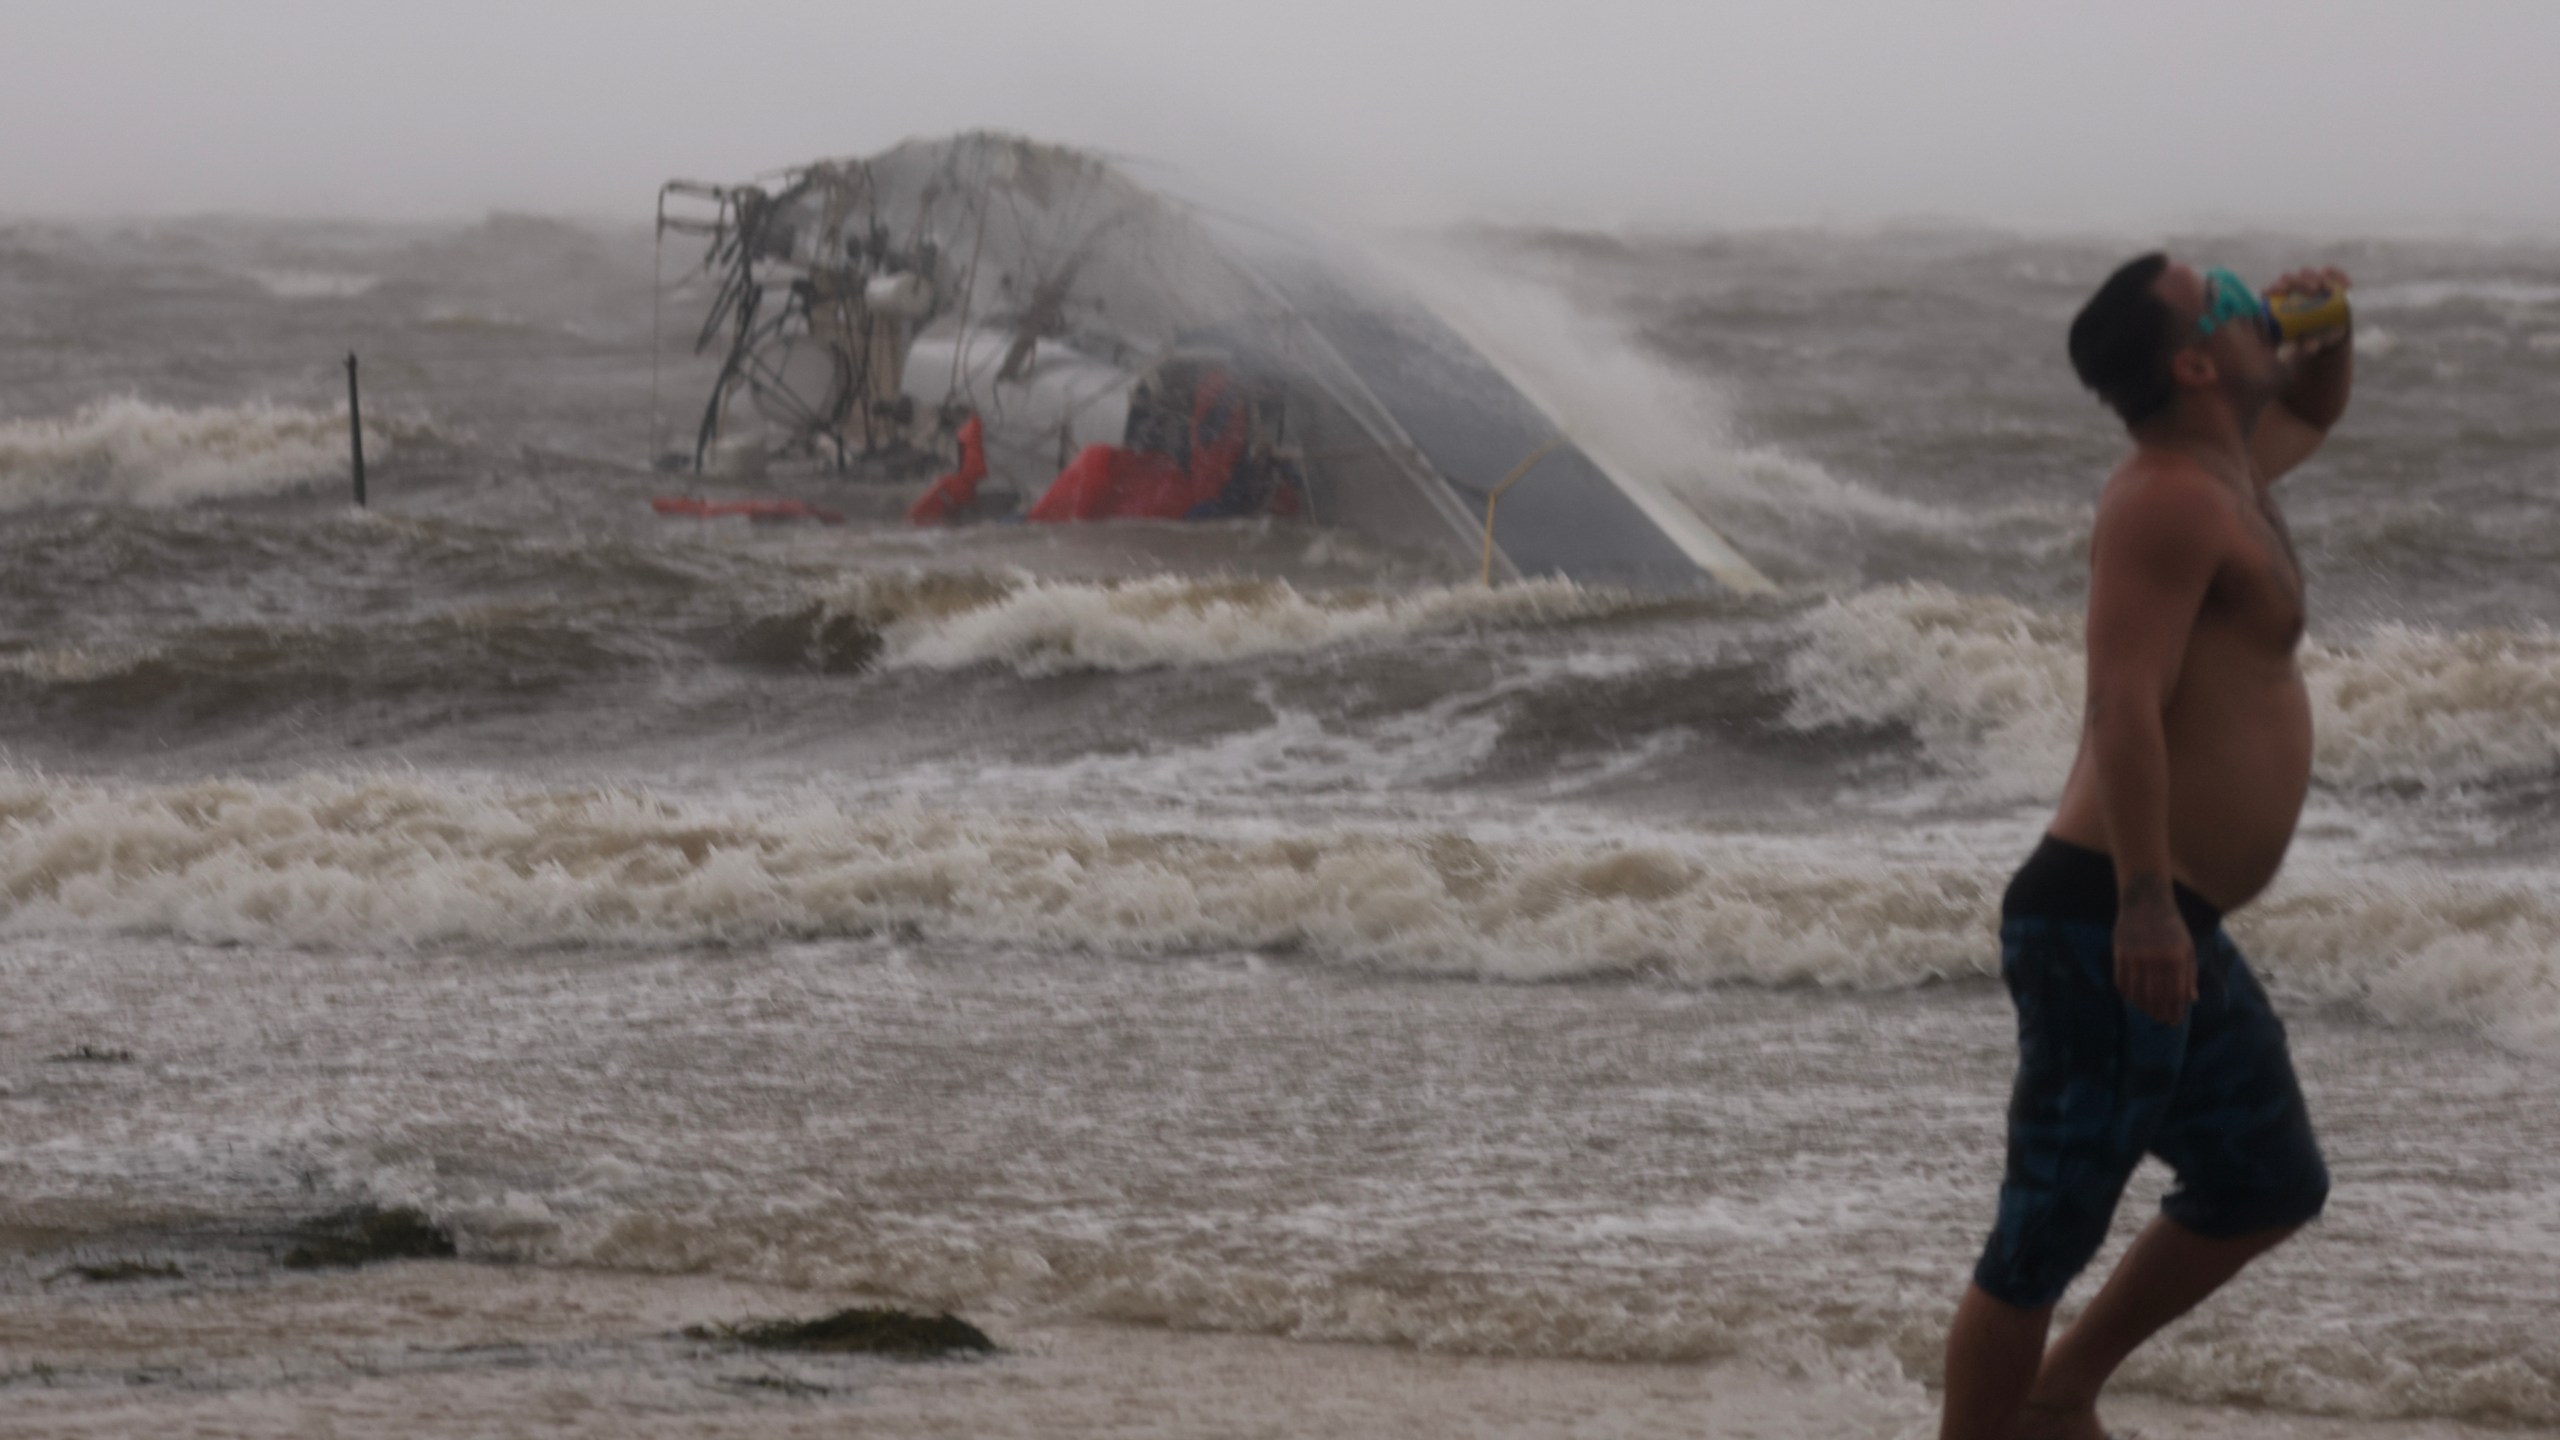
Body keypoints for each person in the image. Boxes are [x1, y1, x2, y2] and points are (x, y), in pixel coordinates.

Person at [1937, 253, 2354, 1440]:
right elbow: (2119, 704)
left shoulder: (2235, 469)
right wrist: (2143, 906)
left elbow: (2315, 407)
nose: (2246, 300)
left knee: (2269, 1182)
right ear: (2191, 362)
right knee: (2039, 1236)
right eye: (2225, 299)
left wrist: (2332, 337)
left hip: (2173, 918)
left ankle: (2062, 1391)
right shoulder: (2164, 499)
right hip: (2107, 916)